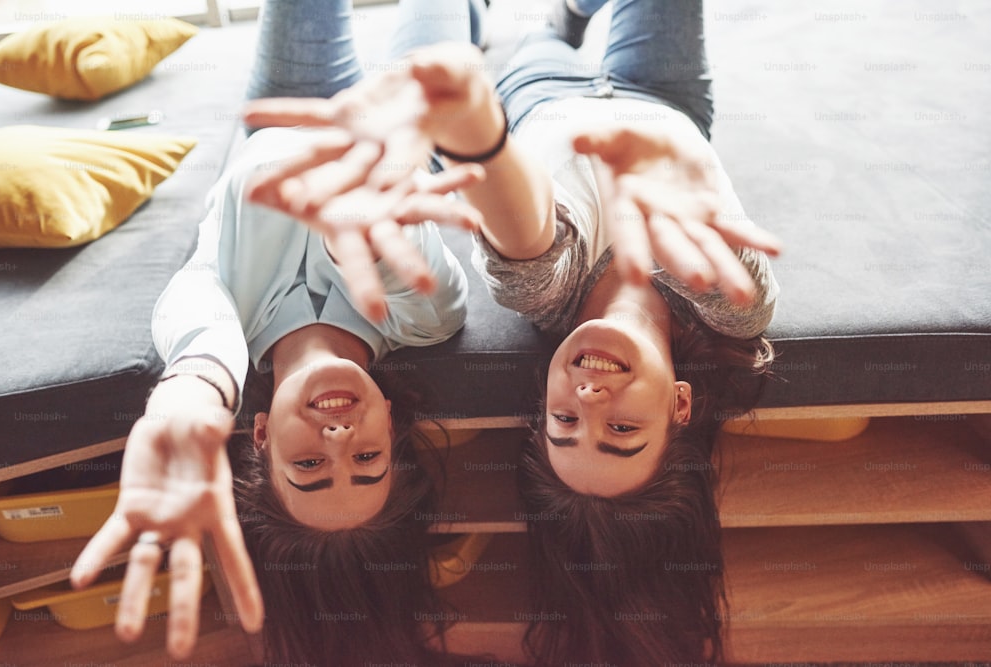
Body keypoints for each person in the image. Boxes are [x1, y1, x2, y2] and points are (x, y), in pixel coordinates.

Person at [244, 0, 781, 663]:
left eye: (563, 421)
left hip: (536, 95)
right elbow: (729, 254)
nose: (588, 401)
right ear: (679, 407)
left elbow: (525, 230)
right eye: (620, 431)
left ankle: (543, 21)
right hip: (662, 94)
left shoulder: (543, 289)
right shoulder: (728, 303)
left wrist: (479, 132)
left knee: (518, 37)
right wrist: (683, 179)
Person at [69, 1, 487, 662]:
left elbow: (195, 308)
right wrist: (358, 205)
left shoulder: (224, 312)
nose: (340, 439)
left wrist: (193, 392)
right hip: (403, 113)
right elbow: (388, 234)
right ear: (389, 424)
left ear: (259, 437)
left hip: (282, 105)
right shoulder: (427, 319)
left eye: (311, 465)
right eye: (367, 460)